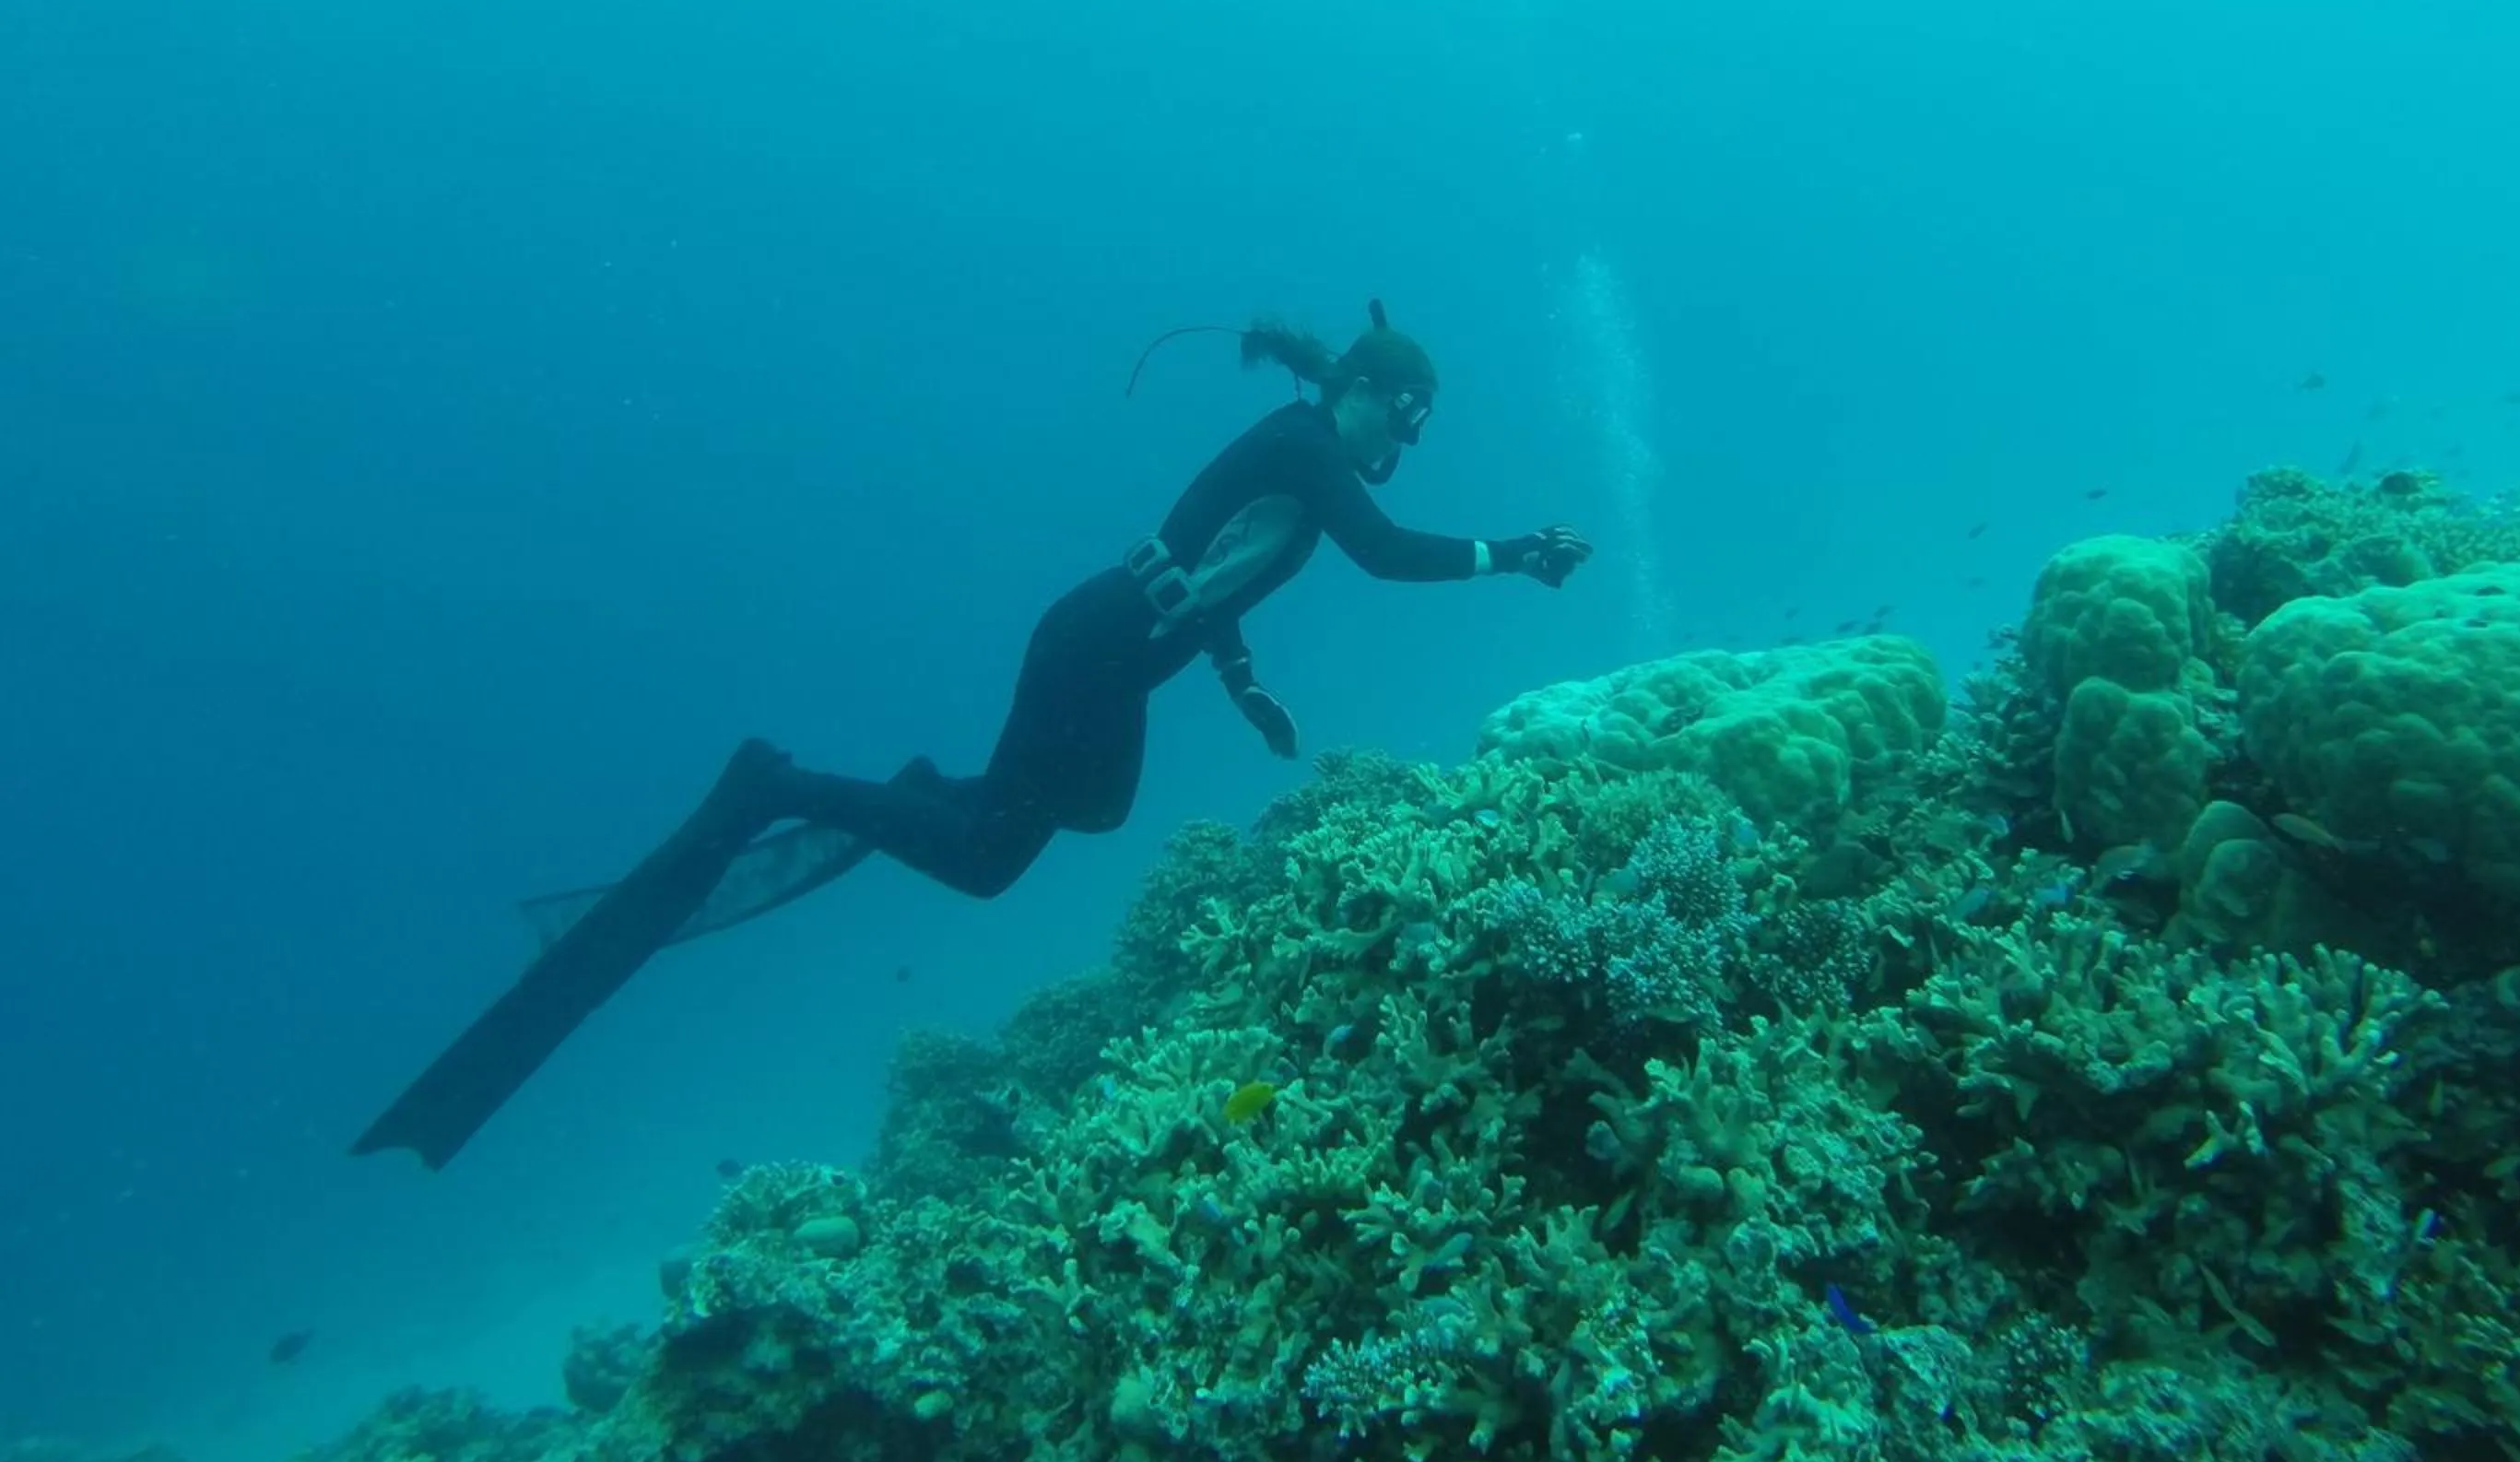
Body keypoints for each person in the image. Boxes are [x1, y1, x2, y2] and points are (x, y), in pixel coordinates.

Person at [352, 301, 1592, 1168]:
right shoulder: (1309, 446)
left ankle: (897, 789)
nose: (1407, 443)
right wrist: (1517, 553)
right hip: (1092, 653)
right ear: (1357, 389)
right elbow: (1380, 556)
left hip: (1106, 654)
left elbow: (1209, 565)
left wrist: (1243, 680)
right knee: (1016, 848)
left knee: (1029, 835)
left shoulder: (1306, 463)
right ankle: (782, 780)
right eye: (1406, 417)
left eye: (1420, 429)